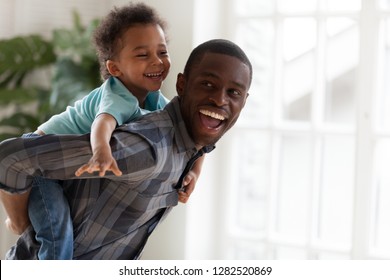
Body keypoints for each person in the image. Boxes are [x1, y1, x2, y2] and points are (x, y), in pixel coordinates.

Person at [0, 38, 252, 260]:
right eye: (208, 84)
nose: (220, 100)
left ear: (244, 101)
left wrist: (196, 170)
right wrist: (20, 220)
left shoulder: (186, 143)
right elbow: (10, 159)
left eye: (233, 92)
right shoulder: (146, 148)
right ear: (182, 85)